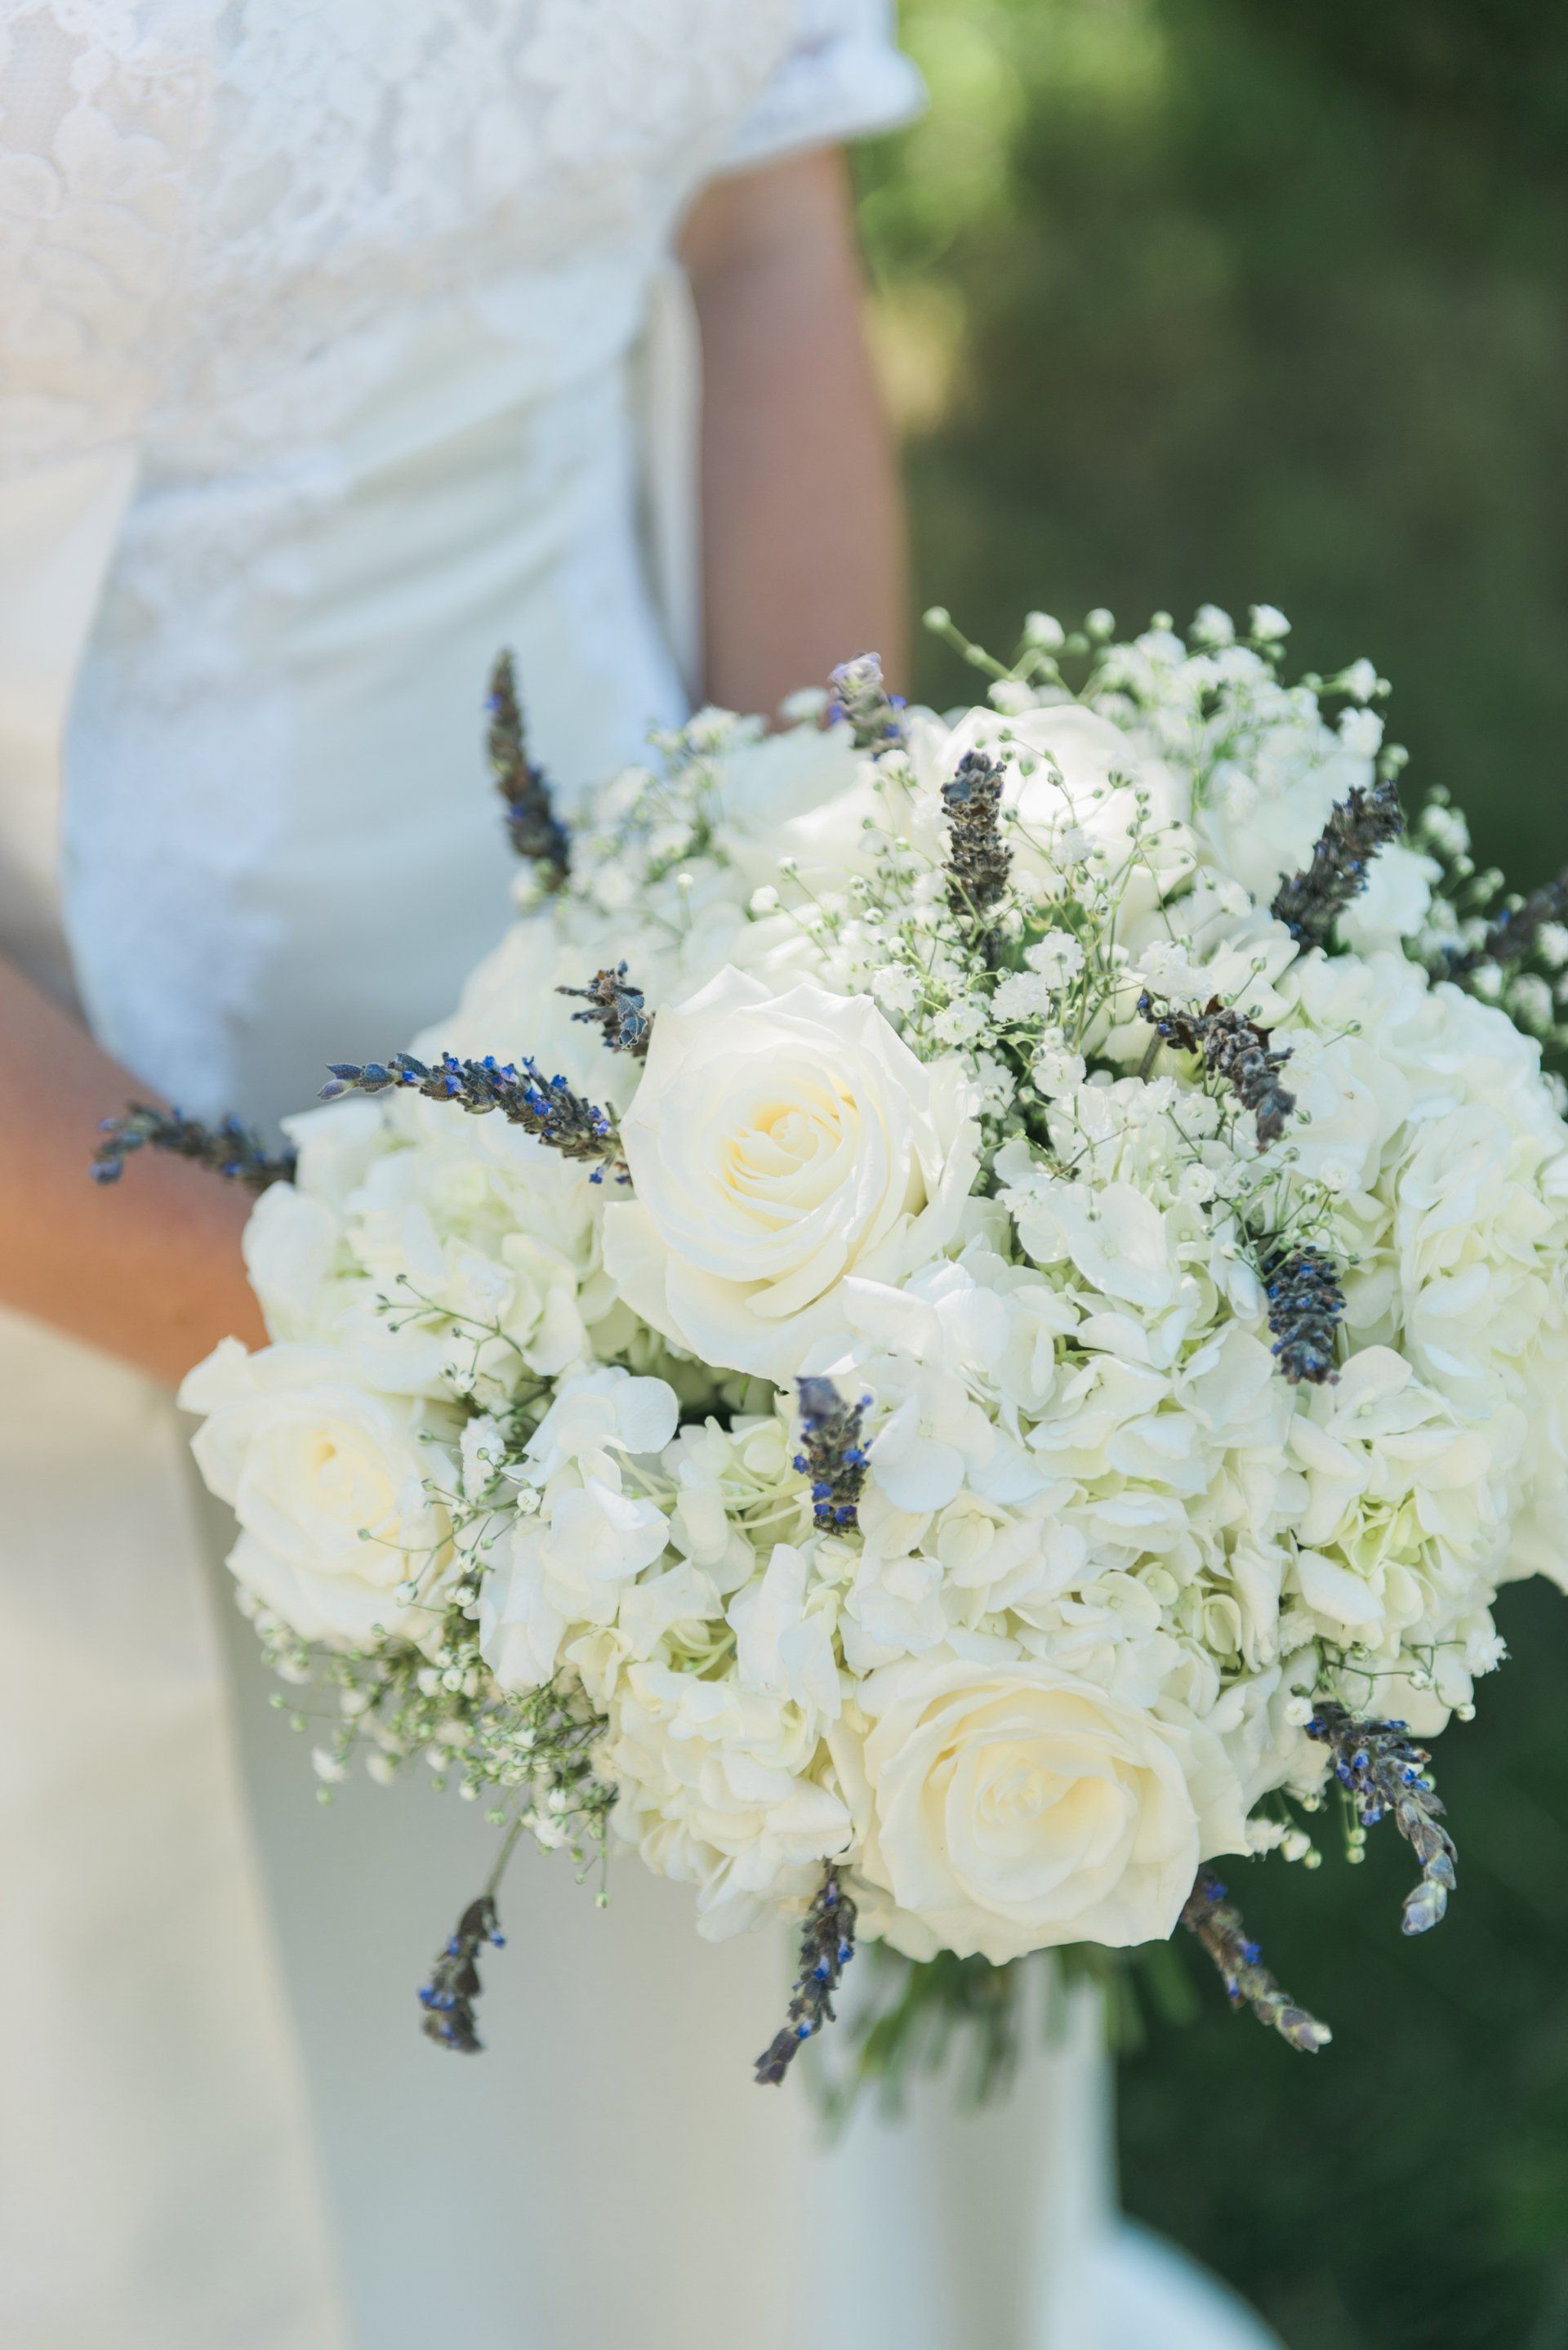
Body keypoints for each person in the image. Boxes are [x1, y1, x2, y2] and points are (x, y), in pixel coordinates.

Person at [0, 7, 1280, 2345]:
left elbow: (763, 214)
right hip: (67, 1162)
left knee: (722, 2046)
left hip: (641, 930)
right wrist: (435, 1382)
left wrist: (853, 978)